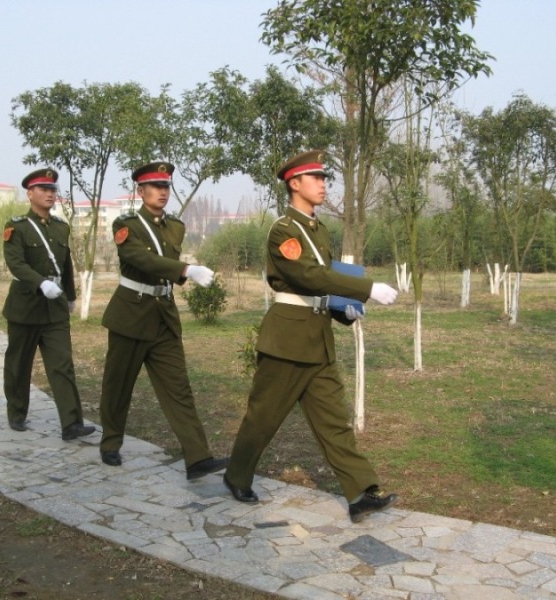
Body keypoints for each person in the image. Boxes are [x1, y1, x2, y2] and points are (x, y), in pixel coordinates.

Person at [222, 150, 400, 523]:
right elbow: (308, 277)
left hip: (316, 340)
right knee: (264, 417)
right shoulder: (284, 230)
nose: (323, 184)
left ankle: (360, 492)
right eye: (315, 178)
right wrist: (364, 288)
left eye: (324, 178)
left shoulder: (317, 229)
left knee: (334, 419)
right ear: (294, 183)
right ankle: (236, 476)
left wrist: (343, 309)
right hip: (287, 339)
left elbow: (322, 286)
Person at [98, 161, 229, 480]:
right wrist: (186, 270)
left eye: (166, 186)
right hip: (131, 313)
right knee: (119, 384)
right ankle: (110, 442)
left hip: (163, 316)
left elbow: (163, 263)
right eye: (155, 186)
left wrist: (181, 271)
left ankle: (197, 457)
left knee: (178, 388)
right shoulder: (126, 224)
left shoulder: (175, 226)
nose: (162, 192)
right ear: (140, 191)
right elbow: (139, 258)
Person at [2, 167, 96, 442]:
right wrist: (40, 283)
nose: (49, 194)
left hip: (54, 308)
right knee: (19, 364)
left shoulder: (60, 227)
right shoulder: (16, 226)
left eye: (53, 189)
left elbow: (65, 264)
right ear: (30, 193)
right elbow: (15, 262)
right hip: (26, 306)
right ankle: (17, 413)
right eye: (43, 189)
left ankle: (71, 423)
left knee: (62, 364)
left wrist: (71, 295)